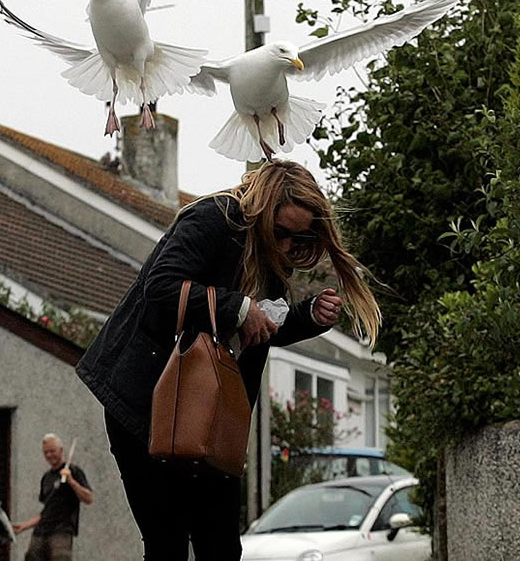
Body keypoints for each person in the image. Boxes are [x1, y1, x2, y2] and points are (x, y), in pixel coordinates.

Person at [76, 159, 380, 561]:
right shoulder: (213, 218)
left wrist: (306, 317)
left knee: (220, 546)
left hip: (213, 415)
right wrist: (237, 306)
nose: (289, 246)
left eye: (300, 239)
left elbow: (257, 328)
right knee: (167, 541)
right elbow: (162, 288)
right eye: (283, 232)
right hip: (146, 405)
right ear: (264, 207)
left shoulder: (272, 254)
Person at [12, 433, 93, 561]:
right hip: (40, 532)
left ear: (61, 451)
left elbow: (88, 498)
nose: (49, 455)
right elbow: (47, 510)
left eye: (52, 451)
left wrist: (71, 481)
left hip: (61, 532)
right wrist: (25, 526)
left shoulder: (73, 470)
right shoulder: (46, 477)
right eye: (46, 452)